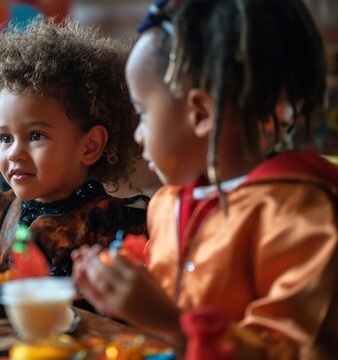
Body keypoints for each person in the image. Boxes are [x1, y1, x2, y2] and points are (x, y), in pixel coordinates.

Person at [73, 0, 338, 358]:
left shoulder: (299, 215)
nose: (138, 134)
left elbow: (288, 349)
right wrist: (118, 290)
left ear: (200, 113)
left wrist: (172, 323)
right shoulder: (168, 203)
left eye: (144, 113)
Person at [0, 18, 148, 276]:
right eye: (6, 138)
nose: (14, 152)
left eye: (36, 135)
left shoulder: (106, 227)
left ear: (90, 146)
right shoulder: (2, 212)